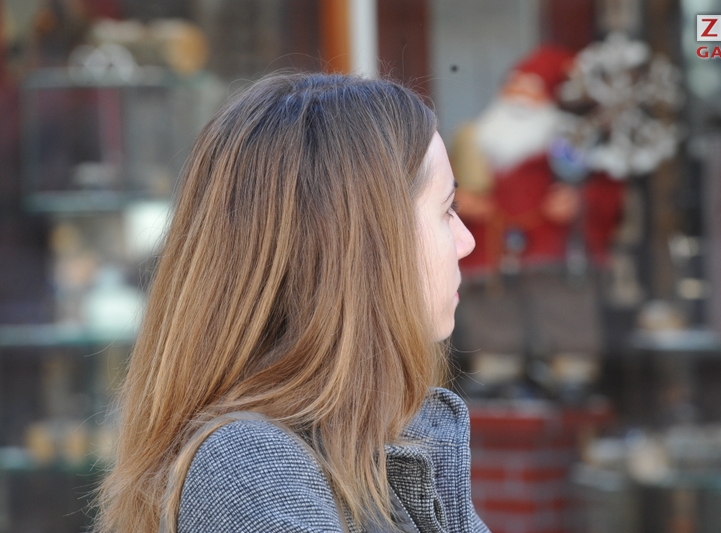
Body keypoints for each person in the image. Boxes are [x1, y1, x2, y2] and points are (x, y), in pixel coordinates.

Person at [93, 72, 485, 533]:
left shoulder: (376, 448)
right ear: (360, 247)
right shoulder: (250, 466)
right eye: (446, 209)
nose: (467, 241)